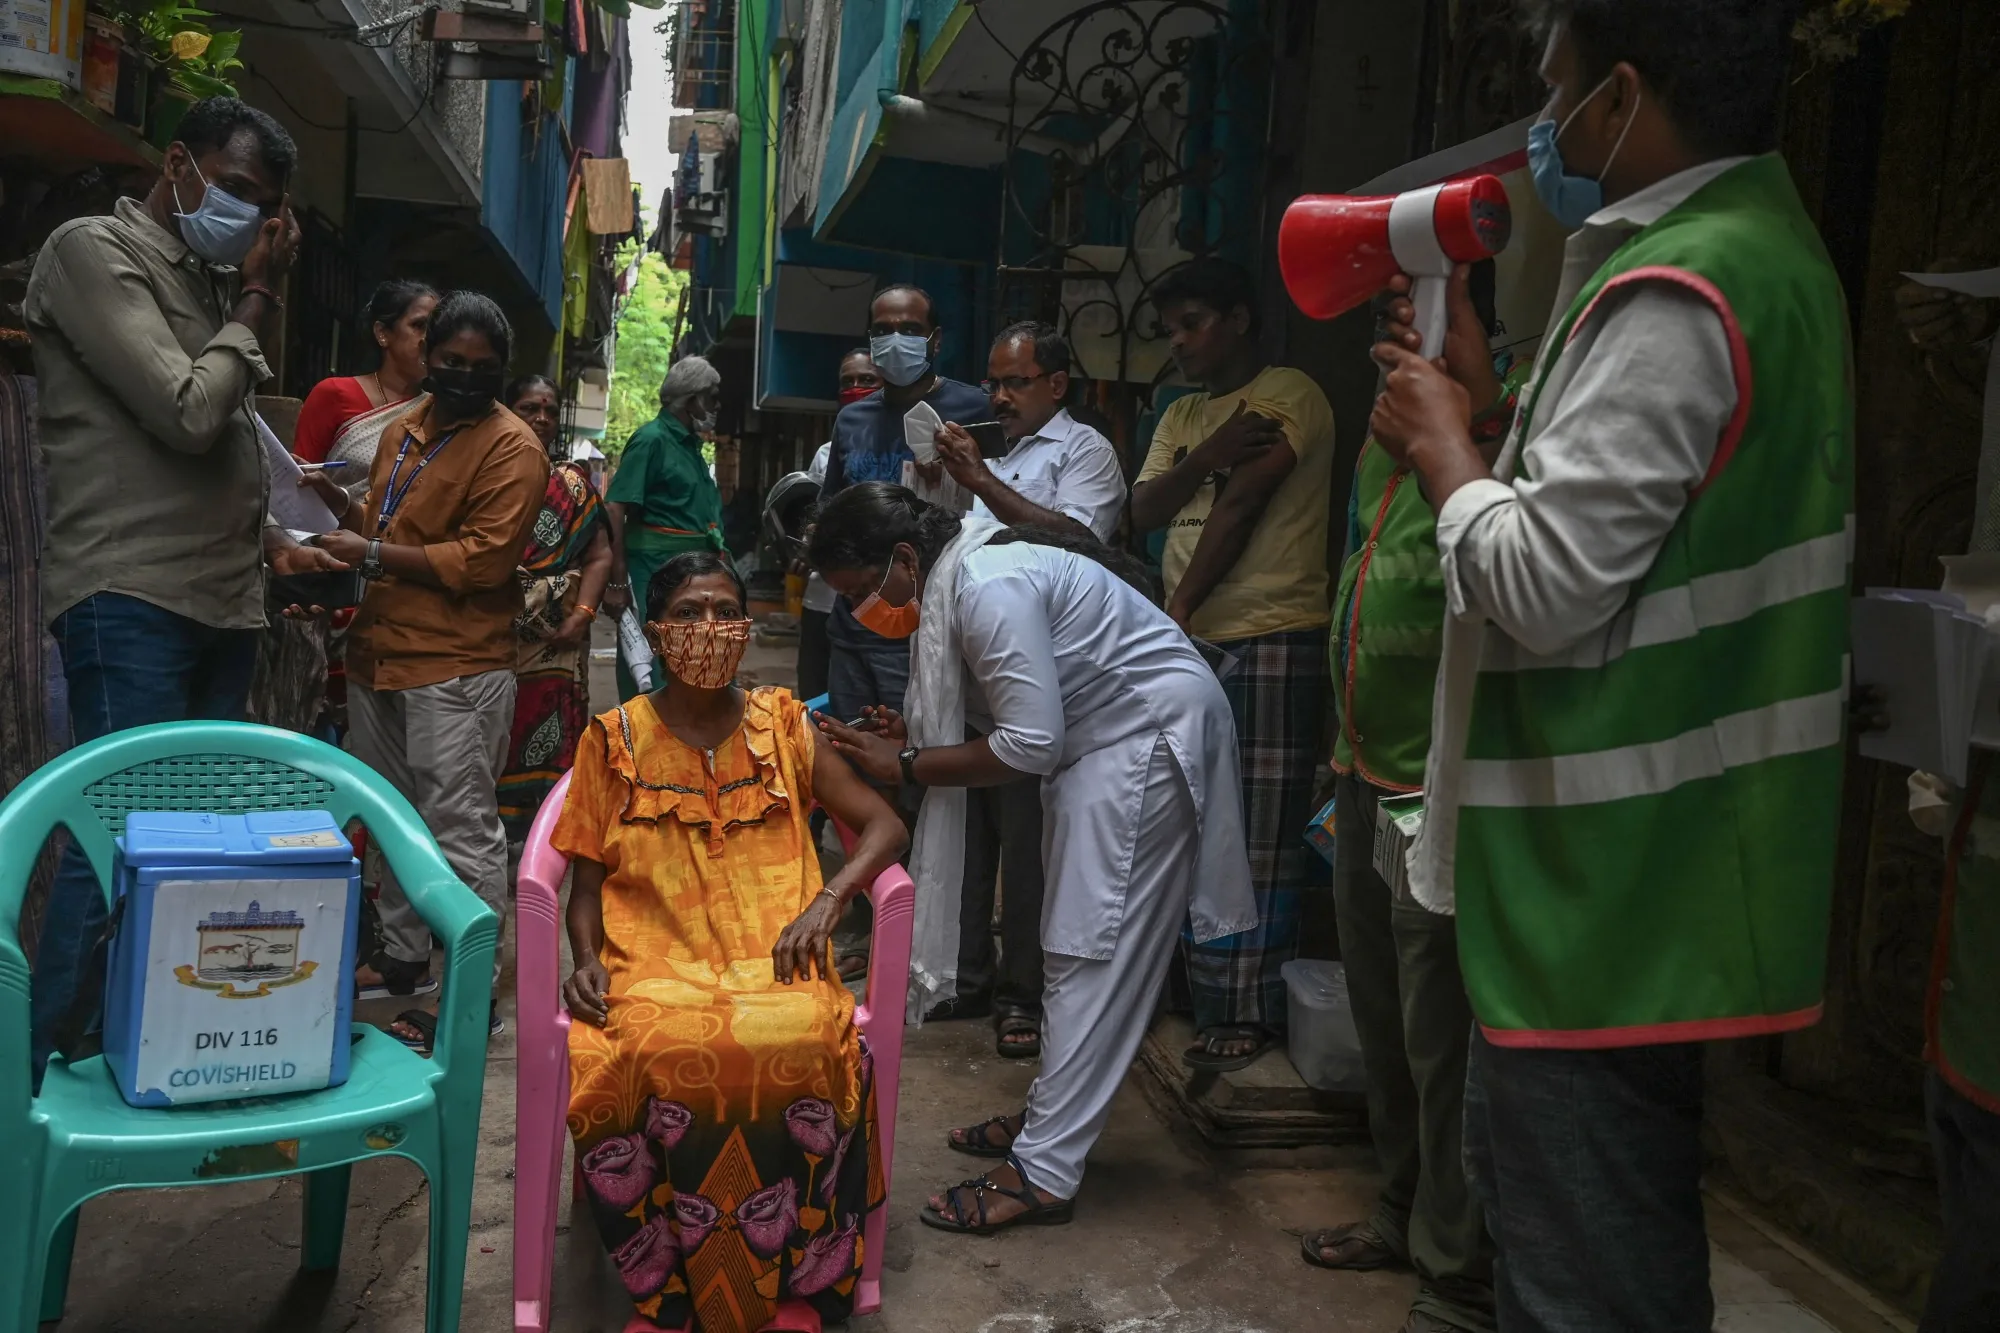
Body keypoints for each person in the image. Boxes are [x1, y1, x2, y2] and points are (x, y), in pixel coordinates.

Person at [1368, 3, 1852, 1327]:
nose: (1548, 123)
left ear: (1625, 96)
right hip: (1645, 876)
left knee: (1584, 1276)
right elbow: (1641, 532)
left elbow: (1545, 583)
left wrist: (1445, 457)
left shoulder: (1682, 287)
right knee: (1578, 1243)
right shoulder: (1748, 255)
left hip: (1609, 887)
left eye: (1558, 88)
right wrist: (1493, 412)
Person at [809, 483, 1255, 1235]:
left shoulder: (987, 584)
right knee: (1072, 946)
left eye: (861, 588)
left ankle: (1044, 1170)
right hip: (1103, 742)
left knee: (1088, 950)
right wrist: (911, 736)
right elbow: (1019, 702)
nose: (863, 610)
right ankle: (1054, 1117)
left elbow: (1030, 743)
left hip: (1139, 740)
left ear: (905, 558)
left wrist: (910, 765)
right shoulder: (966, 574)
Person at [22, 94, 343, 1089]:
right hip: (131, 592)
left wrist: (283, 544)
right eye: (236, 190)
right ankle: (35, 1076)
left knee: (191, 854)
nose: (249, 216)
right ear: (178, 165)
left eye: (266, 204)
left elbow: (233, 437)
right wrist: (255, 301)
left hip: (219, 598)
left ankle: (139, 1051)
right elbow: (189, 411)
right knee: (113, 836)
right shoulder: (92, 252)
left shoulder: (208, 284)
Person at [555, 551, 907, 1333]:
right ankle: (673, 1290)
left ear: (746, 627)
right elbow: (584, 886)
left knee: (809, 1034)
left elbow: (885, 824)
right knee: (654, 1044)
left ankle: (792, 1285)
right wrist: (584, 959)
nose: (707, 629)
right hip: (655, 955)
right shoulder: (610, 738)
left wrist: (828, 897)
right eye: (687, 612)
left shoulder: (784, 725)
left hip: (774, 954)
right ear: (655, 629)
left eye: (724, 610)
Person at [1300, 263, 1524, 1333]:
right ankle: (1399, 1207)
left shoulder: (1504, 444)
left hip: (1435, 787)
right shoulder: (1374, 450)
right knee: (1384, 1024)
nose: (1401, 321)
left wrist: (1461, 435)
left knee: (1444, 1048)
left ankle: (1454, 1272)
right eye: (1390, 307)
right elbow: (1357, 583)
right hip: (1358, 769)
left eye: (1426, 302)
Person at [313, 291, 550, 1046]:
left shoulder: (513, 447)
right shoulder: (404, 430)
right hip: (381, 653)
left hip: (455, 664)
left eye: (483, 368)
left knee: (460, 830)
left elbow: (482, 561)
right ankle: (404, 958)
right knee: (389, 816)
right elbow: (383, 527)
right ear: (427, 358)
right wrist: (331, 509)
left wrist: (373, 552)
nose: (465, 377)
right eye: (451, 362)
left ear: (502, 372)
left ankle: (470, 994)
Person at [1129, 257, 1336, 1072]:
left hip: (1270, 633)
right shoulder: (1184, 415)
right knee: (1185, 817)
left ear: (1241, 319)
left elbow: (1245, 503)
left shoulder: (1291, 393)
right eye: (1171, 329)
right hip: (1191, 640)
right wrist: (1206, 451)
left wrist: (1173, 620)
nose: (1179, 342)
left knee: (1257, 832)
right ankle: (1193, 988)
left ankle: (1245, 1007)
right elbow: (1141, 510)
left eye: (1193, 324)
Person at [929, 320, 1128, 1055]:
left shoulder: (1085, 453)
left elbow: (1079, 541)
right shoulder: (996, 450)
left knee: (1028, 847)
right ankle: (969, 975)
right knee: (972, 837)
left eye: (1016, 382)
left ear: (1056, 384)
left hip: (1043, 678)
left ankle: (1024, 994)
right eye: (994, 382)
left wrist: (978, 479)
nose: (1000, 396)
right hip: (976, 675)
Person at [818, 286, 988, 733]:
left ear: (935, 340)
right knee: (853, 742)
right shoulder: (852, 420)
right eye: (883, 330)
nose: (896, 340)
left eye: (910, 329)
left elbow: (996, 502)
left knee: (915, 745)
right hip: (853, 626)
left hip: (928, 623)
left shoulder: (972, 408)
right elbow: (829, 506)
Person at [496, 375, 614, 855]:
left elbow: (600, 554)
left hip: (558, 642)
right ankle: (490, 841)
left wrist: (583, 614)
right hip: (494, 636)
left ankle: (542, 839)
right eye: (529, 407)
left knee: (550, 729)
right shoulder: (486, 471)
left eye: (549, 409)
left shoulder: (572, 484)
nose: (541, 418)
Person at [604, 356, 726, 701]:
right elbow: (615, 508)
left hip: (695, 570)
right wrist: (615, 583)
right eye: (712, 397)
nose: (717, 406)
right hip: (652, 569)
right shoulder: (651, 440)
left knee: (692, 661)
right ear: (692, 399)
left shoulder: (691, 447)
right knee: (651, 661)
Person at [798, 348, 882, 701]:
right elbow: (816, 515)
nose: (856, 387)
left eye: (866, 380)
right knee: (816, 687)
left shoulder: (906, 445)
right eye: (847, 381)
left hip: (878, 595)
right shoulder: (826, 452)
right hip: (824, 596)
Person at [293, 279, 439, 469]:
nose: (429, 338)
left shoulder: (438, 410)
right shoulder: (334, 394)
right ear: (383, 333)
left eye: (436, 329)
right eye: (419, 325)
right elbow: (299, 478)